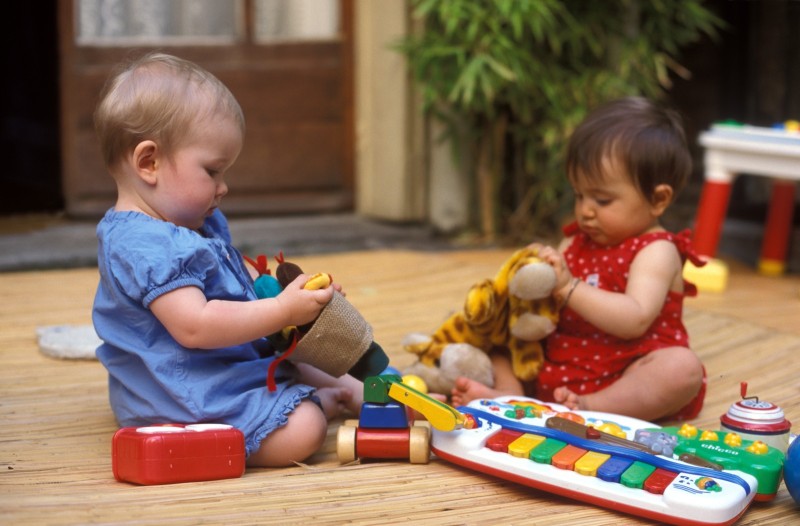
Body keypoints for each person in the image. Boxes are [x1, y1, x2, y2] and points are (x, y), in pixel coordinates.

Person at [91, 52, 362, 468]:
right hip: (184, 394)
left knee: (324, 362)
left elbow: (235, 296)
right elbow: (195, 326)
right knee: (305, 428)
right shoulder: (144, 245)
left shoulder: (189, 224)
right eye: (212, 171)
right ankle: (315, 406)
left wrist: (298, 309)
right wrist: (279, 309)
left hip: (223, 364)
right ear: (149, 163)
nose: (223, 188)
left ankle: (363, 391)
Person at [451, 97, 706, 422]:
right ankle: (510, 394)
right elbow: (541, 306)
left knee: (682, 369)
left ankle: (590, 407)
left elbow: (635, 319)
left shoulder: (656, 250)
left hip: (624, 373)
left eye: (602, 199)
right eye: (579, 195)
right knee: (496, 339)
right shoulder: (574, 241)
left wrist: (569, 286)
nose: (585, 210)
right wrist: (530, 277)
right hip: (557, 362)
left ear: (658, 199)